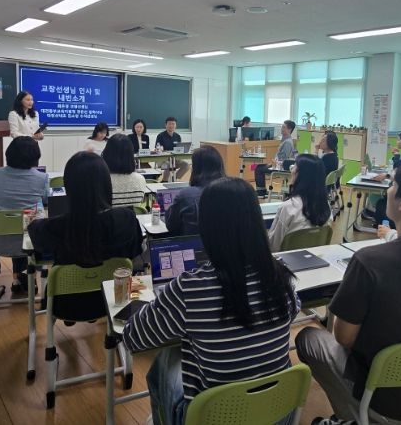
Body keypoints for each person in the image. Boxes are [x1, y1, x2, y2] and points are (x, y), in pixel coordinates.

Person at [296, 161, 401, 424]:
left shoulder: (368, 262)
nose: (388, 189)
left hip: (381, 393)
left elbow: (343, 337)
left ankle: (356, 416)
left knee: (308, 338)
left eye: (393, 185)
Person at [123, 177, 300, 425]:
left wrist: (153, 306)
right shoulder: (281, 277)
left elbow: (133, 338)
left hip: (214, 417)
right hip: (275, 413)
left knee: (165, 361)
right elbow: (294, 310)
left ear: (206, 227)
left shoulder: (190, 287)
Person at [28, 152, 143, 319]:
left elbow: (36, 238)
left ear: (68, 186)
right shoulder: (126, 219)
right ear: (106, 183)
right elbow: (135, 251)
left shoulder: (56, 226)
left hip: (65, 304)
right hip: (114, 300)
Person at [0, 136, 49, 293]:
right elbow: (45, 200)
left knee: (17, 222)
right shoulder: (41, 177)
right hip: (33, 241)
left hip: (0, 239)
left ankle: (18, 279)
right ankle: (28, 276)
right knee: (30, 222)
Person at [267, 154, 333, 252]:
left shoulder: (288, 208)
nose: (292, 169)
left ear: (300, 175)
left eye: (294, 166)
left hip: (286, 260)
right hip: (314, 258)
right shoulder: (326, 207)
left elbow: (273, 245)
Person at [165, 146, 226, 235]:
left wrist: (169, 209)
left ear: (196, 168)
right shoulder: (236, 191)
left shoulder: (185, 195)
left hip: (195, 243)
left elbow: (171, 226)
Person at [102, 134, 147, 208]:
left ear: (106, 154)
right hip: (133, 215)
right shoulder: (140, 179)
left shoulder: (101, 180)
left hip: (108, 215)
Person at [255, 120, 297, 198]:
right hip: (277, 165)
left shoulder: (287, 142)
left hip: (280, 167)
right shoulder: (285, 140)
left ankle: (261, 192)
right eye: (282, 127)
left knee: (259, 169)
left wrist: (273, 163)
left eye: (284, 127)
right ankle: (262, 191)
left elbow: (283, 159)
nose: (281, 129)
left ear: (289, 130)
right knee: (259, 167)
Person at [155, 116, 189, 181]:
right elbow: (158, 149)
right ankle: (164, 181)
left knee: (186, 165)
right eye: (169, 124)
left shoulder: (178, 136)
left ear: (176, 125)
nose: (171, 126)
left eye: (173, 124)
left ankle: (174, 179)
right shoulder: (160, 136)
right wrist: (161, 150)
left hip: (175, 159)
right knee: (169, 164)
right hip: (163, 159)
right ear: (165, 125)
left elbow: (179, 149)